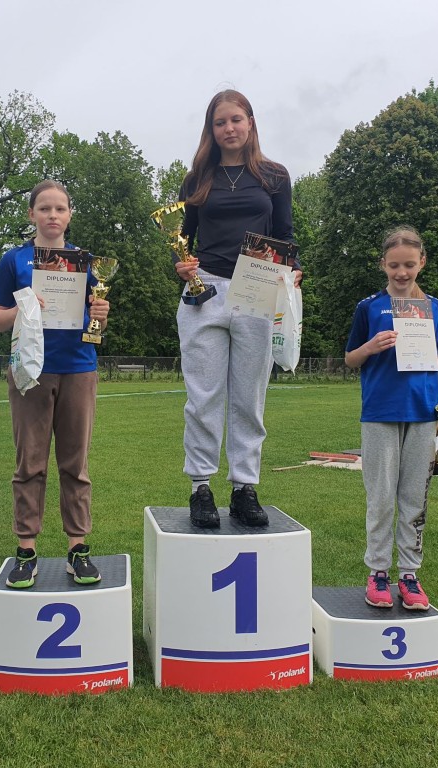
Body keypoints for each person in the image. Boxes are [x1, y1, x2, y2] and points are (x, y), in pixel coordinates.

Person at [176, 89, 301, 529]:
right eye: (220, 122)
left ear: (250, 122)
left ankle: (245, 487)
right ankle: (201, 488)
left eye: (236, 119)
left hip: (257, 289)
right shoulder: (196, 180)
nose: (229, 128)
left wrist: (293, 271)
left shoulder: (274, 176)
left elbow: (285, 234)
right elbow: (184, 238)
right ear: (211, 129)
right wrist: (181, 265)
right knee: (203, 397)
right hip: (205, 290)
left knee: (250, 397)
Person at [0, 179, 109, 589]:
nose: (52, 215)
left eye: (60, 208)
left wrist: (101, 314)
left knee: (76, 464)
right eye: (44, 208)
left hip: (79, 368)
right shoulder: (14, 260)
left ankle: (78, 549)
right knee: (30, 463)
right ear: (31, 214)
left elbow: (93, 324)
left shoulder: (85, 262)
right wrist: (22, 309)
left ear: (69, 215)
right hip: (30, 371)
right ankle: (26, 551)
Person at [343, 226, 438, 611]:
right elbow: (350, 359)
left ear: (422, 262)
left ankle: (409, 575)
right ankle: (377, 572)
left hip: (423, 415)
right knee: (381, 497)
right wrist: (371, 346)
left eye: (409, 264)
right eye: (394, 266)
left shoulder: (434, 308)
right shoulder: (369, 307)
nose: (401, 272)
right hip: (380, 413)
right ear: (383, 265)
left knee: (414, 498)